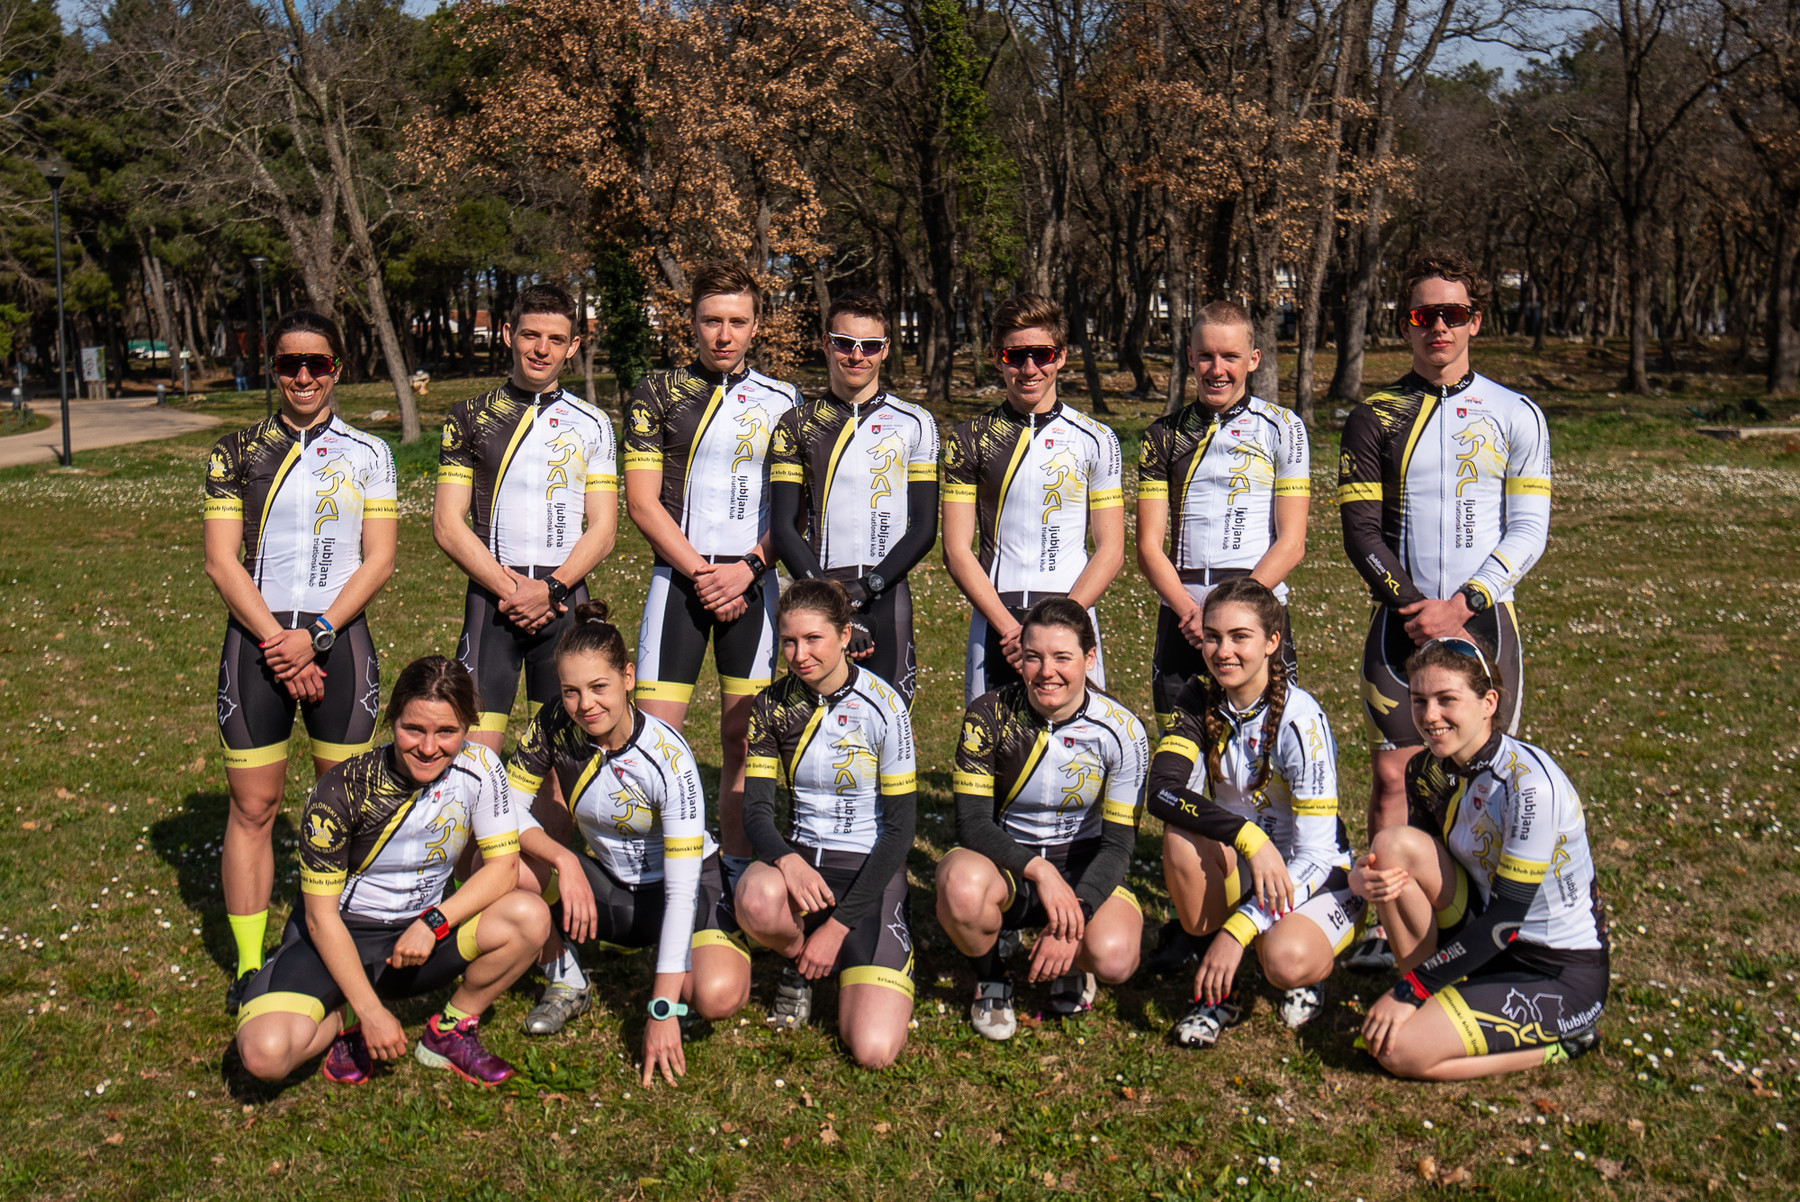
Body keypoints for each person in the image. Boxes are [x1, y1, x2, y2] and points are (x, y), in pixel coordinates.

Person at [1337, 248, 1551, 969]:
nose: (1438, 326)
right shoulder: (1374, 414)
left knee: (1483, 780)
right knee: (1395, 775)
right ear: (1407, 323)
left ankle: (1484, 927)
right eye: (1423, 314)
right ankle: (1386, 923)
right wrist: (1416, 608)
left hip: (1483, 623)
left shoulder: (1516, 413)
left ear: (1475, 321)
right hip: (1400, 625)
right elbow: (1360, 532)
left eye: (1452, 314)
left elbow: (1529, 530)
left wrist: (1463, 603)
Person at [233, 656, 551, 1087]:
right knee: (263, 1055)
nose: (428, 747)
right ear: (392, 720)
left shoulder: (481, 767)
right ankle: (346, 1013)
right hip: (339, 936)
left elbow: (503, 869)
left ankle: (450, 1030)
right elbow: (320, 918)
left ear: (467, 728)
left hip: (421, 936)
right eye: (413, 729)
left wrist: (434, 922)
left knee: (530, 917)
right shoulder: (342, 789)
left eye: (446, 732)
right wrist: (371, 1013)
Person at [203, 309, 397, 1013]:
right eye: (290, 364)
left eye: (318, 363)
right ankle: (250, 964)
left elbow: (379, 559)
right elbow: (221, 562)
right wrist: (280, 646)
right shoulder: (235, 451)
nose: (305, 376)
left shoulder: (372, 453)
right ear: (273, 369)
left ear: (338, 367)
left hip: (337, 640)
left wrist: (313, 636)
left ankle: (338, 948)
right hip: (256, 644)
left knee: (345, 806)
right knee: (254, 806)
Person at [503, 602, 752, 1082]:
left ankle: (709, 946)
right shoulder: (554, 723)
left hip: (688, 889)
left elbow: (681, 891)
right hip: (614, 892)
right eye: (571, 691)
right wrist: (563, 860)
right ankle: (567, 979)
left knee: (717, 995)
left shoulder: (668, 756)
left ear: (628, 678)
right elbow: (502, 810)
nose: (585, 705)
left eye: (599, 687)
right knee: (495, 863)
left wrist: (662, 1008)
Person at [1352, 636, 1607, 1079]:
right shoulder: (1427, 769)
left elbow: (1506, 920)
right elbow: (1417, 866)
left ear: (1489, 703)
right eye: (1419, 700)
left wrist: (1409, 990)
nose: (1430, 716)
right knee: (1390, 847)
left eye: (1446, 699)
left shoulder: (1530, 786)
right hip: (1486, 939)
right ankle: (1432, 996)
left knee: (1398, 1052)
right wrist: (1365, 877)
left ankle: (1564, 1045)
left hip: (1557, 971)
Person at [625, 261, 798, 885]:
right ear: (691, 322)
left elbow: (794, 508)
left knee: (743, 740)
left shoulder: (786, 400)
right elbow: (642, 502)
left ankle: (736, 869)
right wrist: (706, 574)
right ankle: (656, 876)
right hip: (679, 582)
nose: (724, 335)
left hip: (753, 583)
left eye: (737, 322)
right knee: (653, 738)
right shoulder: (656, 392)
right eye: (711, 321)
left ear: (756, 325)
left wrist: (748, 569)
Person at [1143, 579, 1361, 1047]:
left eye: (1239, 637)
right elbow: (1161, 792)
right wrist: (1248, 837)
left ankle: (1305, 966)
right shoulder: (1198, 698)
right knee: (1180, 837)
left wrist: (1238, 929)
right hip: (1249, 859)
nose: (1223, 651)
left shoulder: (1301, 719)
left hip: (1314, 872)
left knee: (1284, 959)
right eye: (1213, 637)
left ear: (1271, 642)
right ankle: (1222, 996)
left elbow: (1317, 854)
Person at [935, 598, 1147, 1041]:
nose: (1046, 671)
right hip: (1008, 867)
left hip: (1081, 868)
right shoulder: (988, 715)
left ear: (1090, 658)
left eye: (1062, 657)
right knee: (960, 885)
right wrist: (1040, 871)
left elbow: (1118, 846)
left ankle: (1073, 962)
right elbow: (972, 825)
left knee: (1115, 957)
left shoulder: (1124, 730)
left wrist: (1078, 913)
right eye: (1033, 657)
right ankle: (992, 975)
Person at [733, 580, 917, 1068]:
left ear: (844, 635)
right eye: (789, 642)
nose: (800, 655)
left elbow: (901, 831)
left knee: (873, 1051)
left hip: (868, 872)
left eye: (813, 639)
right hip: (803, 867)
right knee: (756, 898)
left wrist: (836, 928)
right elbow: (756, 811)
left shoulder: (886, 706)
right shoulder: (771, 705)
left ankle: (836, 949)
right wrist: (787, 861)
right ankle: (800, 962)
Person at [434, 282, 617, 751]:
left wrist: (550, 589)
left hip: (564, 601)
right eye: (530, 335)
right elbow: (447, 524)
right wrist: (511, 590)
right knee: (475, 757)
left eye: (556, 339)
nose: (542, 349)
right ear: (508, 334)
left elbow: (603, 529)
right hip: (494, 602)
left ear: (573, 346)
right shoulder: (469, 416)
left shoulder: (594, 423)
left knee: (564, 761)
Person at [942, 293, 1124, 705]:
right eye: (1015, 355)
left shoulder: (1098, 439)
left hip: (1072, 614)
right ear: (997, 358)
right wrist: (1011, 630)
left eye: (1041, 354)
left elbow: (1111, 549)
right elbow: (956, 550)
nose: (1029, 368)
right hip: (997, 621)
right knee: (990, 741)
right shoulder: (969, 439)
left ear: (1061, 356)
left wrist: (1062, 624)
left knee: (1077, 739)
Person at [1137, 301, 1308, 731]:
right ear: (1190, 357)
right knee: (1180, 752)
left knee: (1263, 751)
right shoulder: (1162, 435)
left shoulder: (1284, 428)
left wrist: (1230, 613)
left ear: (1253, 359)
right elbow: (1148, 547)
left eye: (1230, 356)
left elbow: (1292, 543)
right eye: (1206, 356)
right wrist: (1190, 613)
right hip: (1183, 616)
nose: (1217, 369)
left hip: (1255, 611)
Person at [768, 289, 938, 706]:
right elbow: (784, 527)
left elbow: (924, 528)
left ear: (886, 349)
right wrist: (830, 595)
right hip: (817, 585)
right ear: (826, 344)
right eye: (845, 343)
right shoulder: (796, 424)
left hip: (886, 592)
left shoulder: (916, 422)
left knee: (888, 724)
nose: (857, 356)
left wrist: (865, 589)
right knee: (814, 726)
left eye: (870, 346)